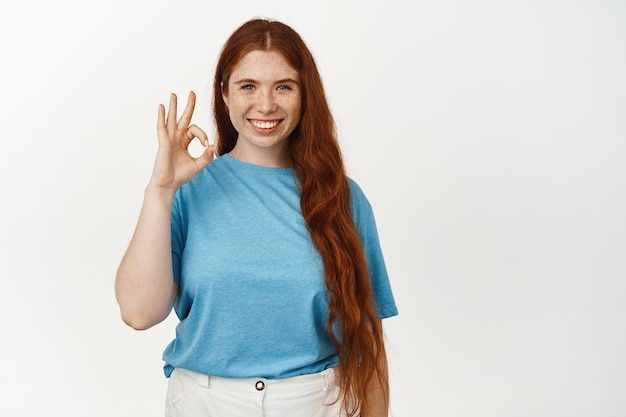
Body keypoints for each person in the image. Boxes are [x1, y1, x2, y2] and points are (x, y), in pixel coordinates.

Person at [115, 18, 398, 417]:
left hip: (314, 403)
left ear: (305, 95)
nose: (265, 105)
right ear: (225, 94)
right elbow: (138, 312)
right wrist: (160, 191)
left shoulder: (343, 199)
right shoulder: (185, 193)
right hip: (204, 402)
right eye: (248, 86)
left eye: (284, 86)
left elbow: (367, 342)